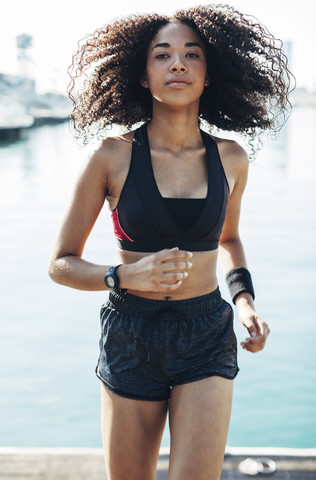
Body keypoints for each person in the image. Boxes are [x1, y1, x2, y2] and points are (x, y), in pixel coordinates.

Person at [49, 4, 293, 479]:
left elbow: (229, 239)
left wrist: (244, 303)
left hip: (205, 331)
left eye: (191, 55)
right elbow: (60, 263)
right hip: (131, 332)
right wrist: (121, 275)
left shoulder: (232, 158)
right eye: (162, 55)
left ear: (208, 73)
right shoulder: (111, 156)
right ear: (143, 76)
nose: (177, 64)